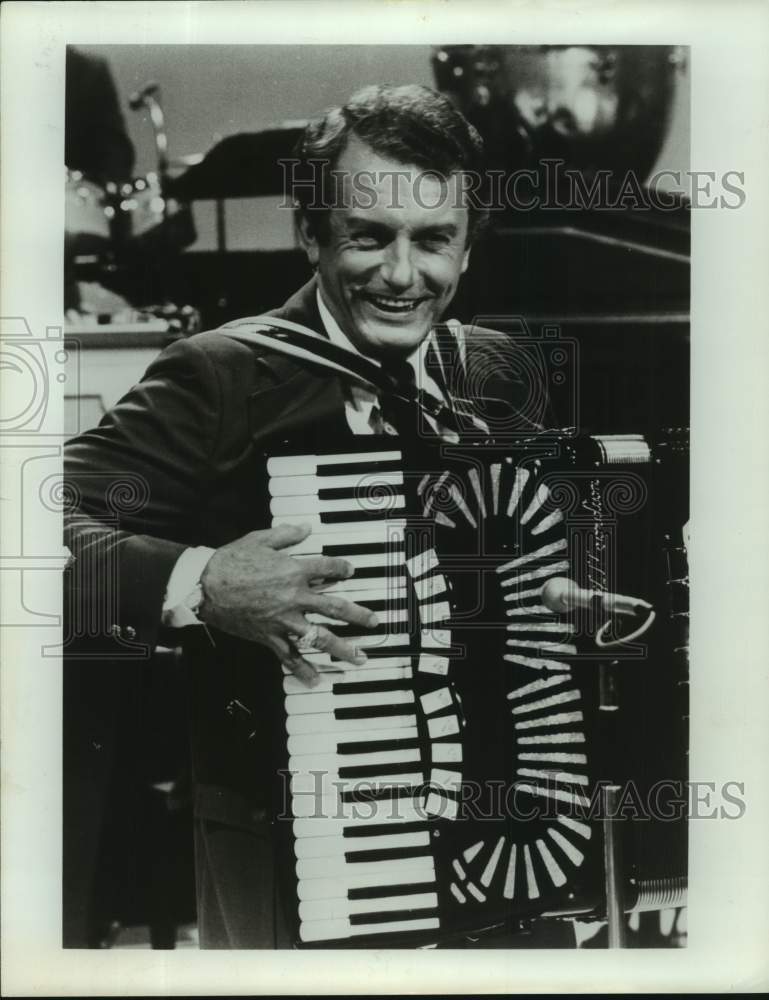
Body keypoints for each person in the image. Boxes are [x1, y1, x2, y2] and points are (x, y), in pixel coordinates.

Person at [63, 84, 557, 948]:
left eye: (432, 240)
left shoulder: (495, 370)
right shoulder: (219, 376)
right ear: (310, 234)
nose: (400, 275)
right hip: (294, 845)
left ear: (467, 246)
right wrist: (201, 582)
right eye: (368, 236)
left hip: (495, 836)